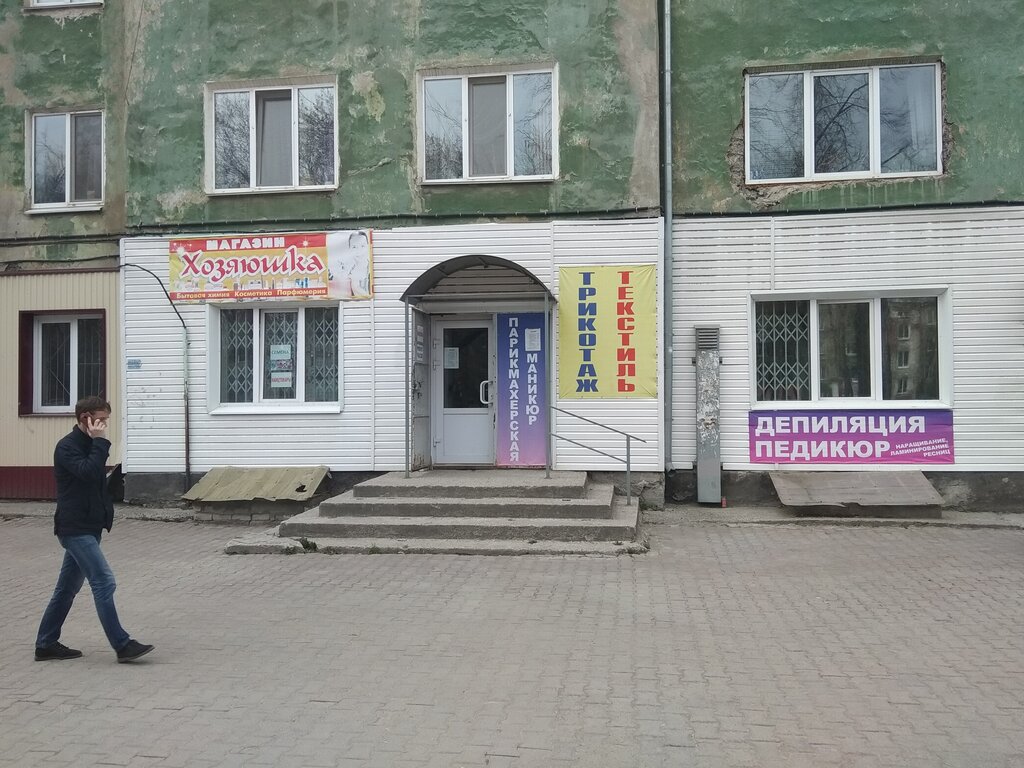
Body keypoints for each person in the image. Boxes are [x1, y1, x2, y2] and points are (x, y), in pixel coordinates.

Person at [34, 396, 154, 663]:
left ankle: (46, 643)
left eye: (106, 420)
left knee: (66, 588)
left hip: (90, 526)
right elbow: (88, 472)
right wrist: (99, 442)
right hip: (74, 528)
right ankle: (122, 645)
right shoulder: (67, 447)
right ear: (85, 418)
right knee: (103, 581)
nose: (104, 425)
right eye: (100, 420)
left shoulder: (90, 445)